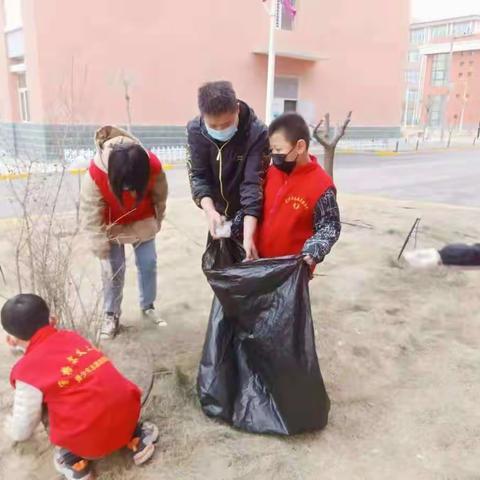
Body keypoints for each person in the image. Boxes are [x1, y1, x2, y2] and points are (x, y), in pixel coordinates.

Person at [2, 294, 159, 480]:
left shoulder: (26, 371)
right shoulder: (72, 337)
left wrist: (12, 429)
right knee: (96, 383)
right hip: (129, 415)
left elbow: (25, 423)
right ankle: (138, 436)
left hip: (89, 442)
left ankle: (73, 460)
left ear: (11, 341)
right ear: (52, 320)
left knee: (45, 404)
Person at [81, 126, 168, 340]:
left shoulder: (152, 165)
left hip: (143, 218)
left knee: (148, 263)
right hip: (112, 223)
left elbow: (160, 196)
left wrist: (157, 219)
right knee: (112, 270)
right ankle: (111, 314)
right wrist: (100, 247)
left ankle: (148, 306)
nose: (129, 189)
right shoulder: (95, 174)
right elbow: (90, 214)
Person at [186, 81, 269, 258]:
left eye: (226, 123)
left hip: (247, 215)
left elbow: (252, 184)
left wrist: (248, 236)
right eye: (213, 126)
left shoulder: (257, 133)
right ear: (203, 116)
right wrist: (210, 211)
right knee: (222, 267)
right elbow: (198, 175)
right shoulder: (196, 130)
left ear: (237, 108)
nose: (220, 130)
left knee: (250, 265)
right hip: (218, 213)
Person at [256, 112, 341, 267]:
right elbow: (255, 205)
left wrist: (313, 251)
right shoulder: (271, 172)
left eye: (278, 149)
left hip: (290, 271)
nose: (274, 155)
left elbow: (329, 226)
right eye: (272, 149)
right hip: (258, 261)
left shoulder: (321, 186)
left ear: (300, 146)